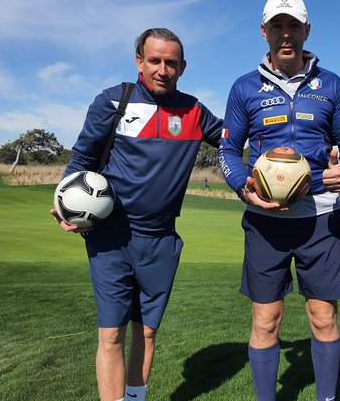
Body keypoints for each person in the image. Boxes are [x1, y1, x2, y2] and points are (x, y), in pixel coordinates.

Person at [50, 28, 222, 401]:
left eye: (171, 63)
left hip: (161, 240)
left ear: (182, 67)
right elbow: (81, 158)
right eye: (155, 60)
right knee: (111, 333)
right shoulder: (114, 102)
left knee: (145, 332)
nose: (163, 69)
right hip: (110, 238)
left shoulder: (194, 111)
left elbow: (233, 136)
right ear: (139, 62)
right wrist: (65, 201)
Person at [218, 0, 340, 401]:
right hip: (265, 223)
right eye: (277, 26)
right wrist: (244, 186)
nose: (285, 35)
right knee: (265, 322)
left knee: (323, 317)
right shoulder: (245, 87)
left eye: (293, 25)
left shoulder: (331, 84)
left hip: (322, 219)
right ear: (264, 32)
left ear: (306, 30)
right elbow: (228, 149)